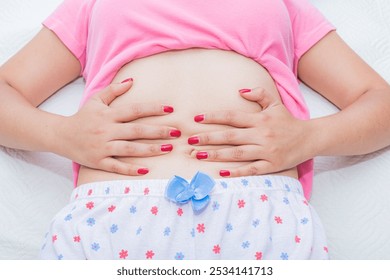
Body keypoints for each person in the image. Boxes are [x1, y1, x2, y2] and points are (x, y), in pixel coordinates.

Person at [1, 0, 390, 260]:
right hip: (110, 214)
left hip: (259, 213)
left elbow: (379, 102)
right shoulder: (95, 5)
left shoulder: (282, 5)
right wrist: (62, 135)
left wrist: (308, 138)